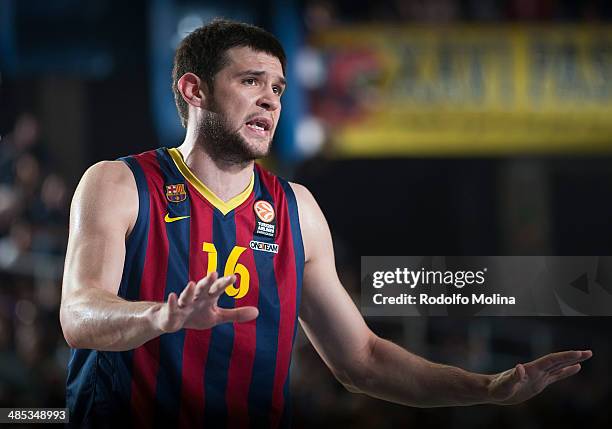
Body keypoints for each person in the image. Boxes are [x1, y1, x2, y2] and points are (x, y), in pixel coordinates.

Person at [59, 19, 592, 428]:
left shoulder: (298, 209)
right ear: (194, 90)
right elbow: (79, 315)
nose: (271, 98)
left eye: (279, 87)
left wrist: (487, 388)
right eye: (251, 80)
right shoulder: (118, 183)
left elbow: (361, 359)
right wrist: (161, 317)